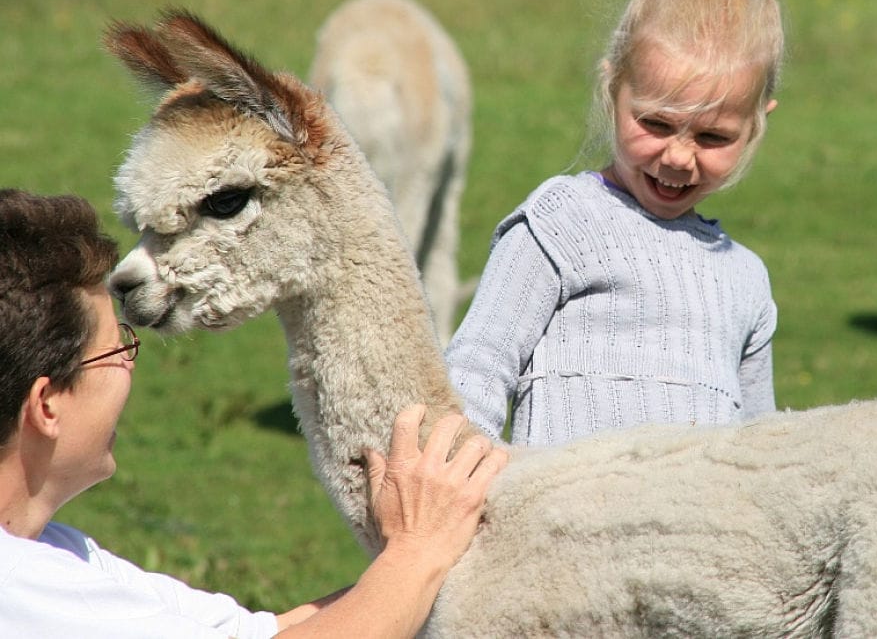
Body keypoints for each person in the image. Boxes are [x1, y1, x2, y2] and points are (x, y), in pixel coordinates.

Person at [0, 188, 507, 638]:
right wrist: (416, 553)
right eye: (118, 350)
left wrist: (434, 564)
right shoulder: (24, 586)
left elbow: (260, 632)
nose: (132, 366)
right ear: (46, 405)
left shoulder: (57, 553)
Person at [446, 0, 785, 446]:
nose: (678, 157)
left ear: (757, 125)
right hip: (557, 523)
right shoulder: (560, 225)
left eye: (713, 136)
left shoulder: (746, 282)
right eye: (655, 122)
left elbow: (761, 451)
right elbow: (474, 376)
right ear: (613, 88)